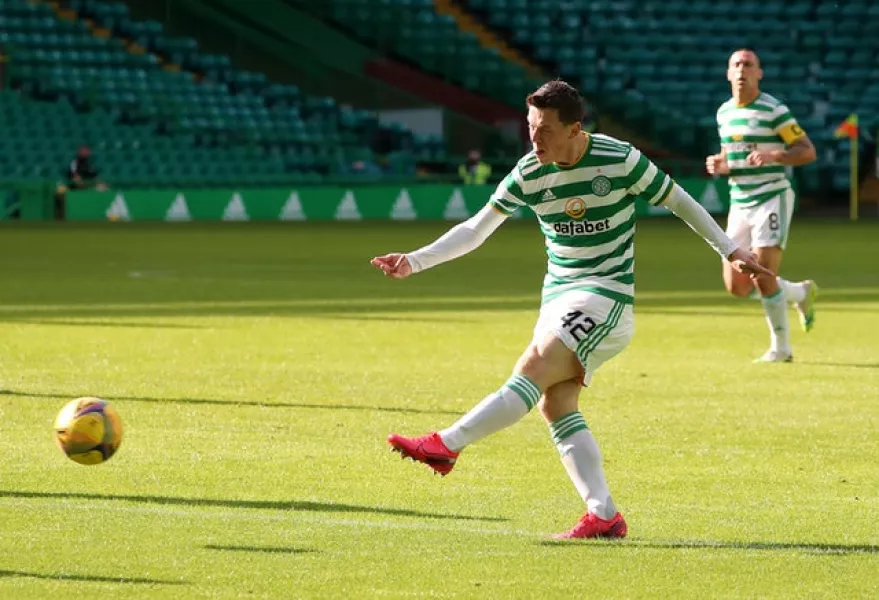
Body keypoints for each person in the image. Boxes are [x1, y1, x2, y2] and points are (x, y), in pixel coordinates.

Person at [371, 80, 773, 539]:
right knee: (555, 402)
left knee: (533, 366)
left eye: (543, 130)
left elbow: (679, 201)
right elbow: (477, 229)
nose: (533, 139)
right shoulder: (529, 172)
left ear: (575, 128)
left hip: (607, 298)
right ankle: (603, 514)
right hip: (559, 296)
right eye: (529, 127)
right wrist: (415, 261)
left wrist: (728, 248)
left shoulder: (619, 160)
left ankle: (446, 444)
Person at [706, 49, 818, 363]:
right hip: (739, 201)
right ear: (728, 73)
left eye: (748, 65)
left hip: (771, 196)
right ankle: (799, 293)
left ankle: (781, 349)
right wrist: (721, 163)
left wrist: (775, 156)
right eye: (736, 65)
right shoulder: (724, 113)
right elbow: (732, 153)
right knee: (737, 285)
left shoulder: (774, 111)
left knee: (764, 273)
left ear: (759, 73)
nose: (742, 70)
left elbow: (807, 151)